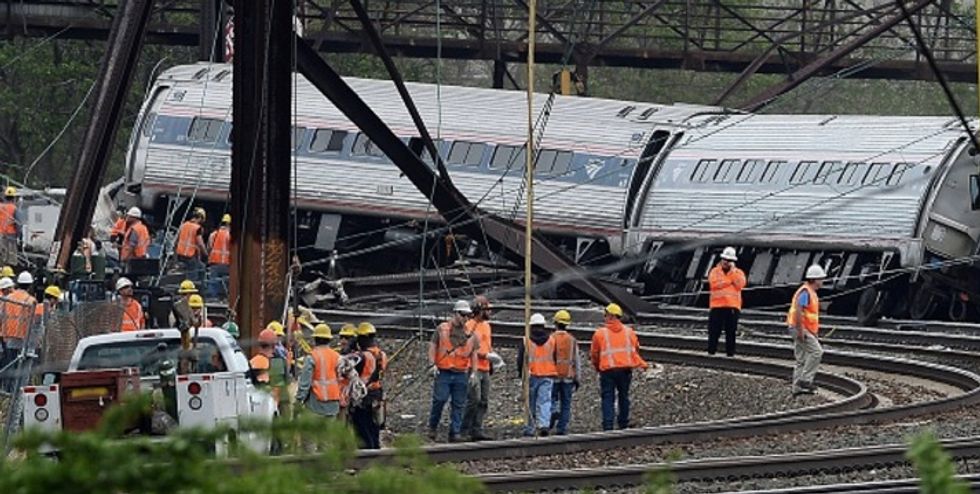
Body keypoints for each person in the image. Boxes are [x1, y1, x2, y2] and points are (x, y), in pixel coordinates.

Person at [427, 300, 479, 443]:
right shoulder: (442, 329)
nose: (465, 318)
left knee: (459, 404)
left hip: (460, 373)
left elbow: (474, 353)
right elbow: (433, 346)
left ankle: (454, 432)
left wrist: (474, 372)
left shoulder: (471, 335)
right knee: (439, 400)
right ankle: (432, 427)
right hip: (443, 372)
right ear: (455, 314)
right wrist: (432, 364)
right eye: (463, 315)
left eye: (467, 315)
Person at [590, 303, 648, 431]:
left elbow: (594, 354)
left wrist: (597, 367)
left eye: (605, 315)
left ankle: (608, 425)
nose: (604, 318)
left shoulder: (600, 334)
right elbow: (636, 349)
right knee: (624, 396)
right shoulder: (629, 332)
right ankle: (623, 422)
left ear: (610, 316)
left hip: (607, 370)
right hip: (625, 370)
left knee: (607, 397)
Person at [788, 265, 827, 395]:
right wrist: (800, 331)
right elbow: (799, 311)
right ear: (815, 279)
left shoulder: (809, 292)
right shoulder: (805, 292)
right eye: (821, 278)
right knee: (817, 352)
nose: (822, 281)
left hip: (802, 328)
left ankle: (796, 388)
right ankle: (805, 380)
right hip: (800, 328)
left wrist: (813, 333)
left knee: (801, 359)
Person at [516, 313, 557, 437]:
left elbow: (521, 360)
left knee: (531, 403)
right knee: (545, 401)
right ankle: (544, 424)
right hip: (548, 374)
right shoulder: (551, 340)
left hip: (532, 375)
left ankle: (530, 428)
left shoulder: (526, 340)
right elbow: (555, 357)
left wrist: (521, 376)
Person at [295, 323, 342, 424]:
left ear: (315, 339)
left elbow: (305, 384)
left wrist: (298, 401)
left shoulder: (312, 357)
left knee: (312, 438)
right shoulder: (337, 357)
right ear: (329, 339)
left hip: (315, 405)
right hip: (333, 405)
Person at [462, 295, 493, 441]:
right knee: (474, 400)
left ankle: (477, 429)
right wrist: (486, 356)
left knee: (484, 401)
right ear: (480, 310)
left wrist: (492, 359)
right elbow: (469, 349)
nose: (490, 312)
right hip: (472, 368)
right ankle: (464, 428)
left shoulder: (487, 326)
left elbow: (488, 346)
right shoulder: (469, 326)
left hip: (485, 368)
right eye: (487, 309)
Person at [351, 322, 386, 449]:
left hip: (364, 396)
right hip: (377, 394)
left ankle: (366, 457)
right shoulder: (382, 354)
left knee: (362, 429)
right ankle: (376, 453)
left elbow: (349, 370)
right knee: (374, 427)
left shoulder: (362, 356)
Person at [707, 246, 747, 357]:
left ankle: (730, 354)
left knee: (731, 332)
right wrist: (730, 281)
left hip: (732, 307)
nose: (726, 262)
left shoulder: (738, 273)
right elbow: (715, 284)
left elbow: (740, 284)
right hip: (717, 306)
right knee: (714, 331)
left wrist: (732, 273)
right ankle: (711, 352)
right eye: (725, 259)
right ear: (721, 259)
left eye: (729, 260)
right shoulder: (715, 271)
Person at [550, 310, 580, 435]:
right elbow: (576, 360)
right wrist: (577, 377)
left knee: (551, 399)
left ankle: (551, 415)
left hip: (553, 375)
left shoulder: (551, 338)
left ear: (555, 323)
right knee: (566, 403)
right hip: (568, 376)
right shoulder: (572, 340)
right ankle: (562, 428)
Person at [174, 208, 208, 282]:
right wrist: (205, 254)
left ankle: (198, 286)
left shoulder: (184, 225)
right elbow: (200, 243)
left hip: (180, 254)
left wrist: (175, 256)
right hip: (190, 256)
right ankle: (193, 287)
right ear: (200, 218)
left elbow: (176, 240)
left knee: (201, 267)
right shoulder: (198, 228)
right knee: (193, 275)